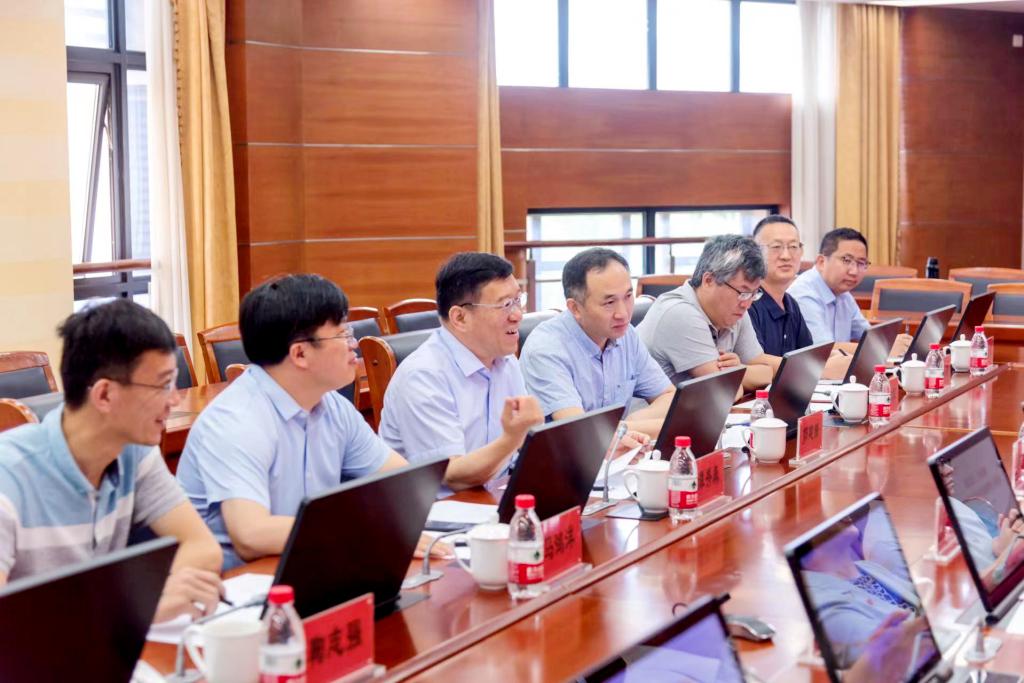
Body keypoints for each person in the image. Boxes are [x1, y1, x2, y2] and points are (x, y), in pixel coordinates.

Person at [177, 274, 434, 570]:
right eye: (342, 335)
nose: (354, 345)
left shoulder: (332, 406)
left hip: (310, 560)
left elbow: (404, 484)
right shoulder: (236, 421)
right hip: (237, 581)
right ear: (300, 353)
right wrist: (366, 528)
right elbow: (252, 534)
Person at [0, 300, 223, 622]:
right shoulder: (9, 476)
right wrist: (140, 605)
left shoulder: (134, 451)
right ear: (104, 395)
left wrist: (136, 604)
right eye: (163, 385)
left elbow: (202, 549)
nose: (175, 399)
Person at [378, 252, 543, 491]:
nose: (517, 315)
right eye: (505, 304)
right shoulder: (423, 375)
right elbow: (452, 475)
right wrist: (512, 439)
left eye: (518, 300)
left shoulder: (505, 361)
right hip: (439, 508)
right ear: (460, 317)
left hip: (493, 495)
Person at [520, 248, 673, 440]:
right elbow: (583, 433)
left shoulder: (626, 335)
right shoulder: (545, 350)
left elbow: (669, 397)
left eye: (628, 297)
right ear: (575, 308)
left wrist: (625, 426)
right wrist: (634, 429)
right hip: (566, 455)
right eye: (609, 303)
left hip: (618, 451)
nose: (623, 314)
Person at [636, 235, 779, 392]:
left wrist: (739, 370)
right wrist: (746, 374)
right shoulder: (680, 313)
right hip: (652, 409)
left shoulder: (737, 309)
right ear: (709, 280)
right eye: (742, 292)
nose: (747, 304)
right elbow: (727, 391)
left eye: (753, 294)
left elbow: (768, 371)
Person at [750, 216, 850, 380]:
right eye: (776, 247)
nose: (786, 256)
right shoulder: (747, 303)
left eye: (793, 247)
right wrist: (820, 368)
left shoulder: (791, 303)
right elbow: (755, 363)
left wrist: (834, 357)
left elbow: (807, 354)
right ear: (755, 253)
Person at [788, 227, 910, 357]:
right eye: (846, 260)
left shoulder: (844, 295)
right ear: (821, 262)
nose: (854, 271)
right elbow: (824, 350)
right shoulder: (804, 294)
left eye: (861, 263)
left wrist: (893, 342)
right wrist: (884, 347)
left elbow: (867, 335)